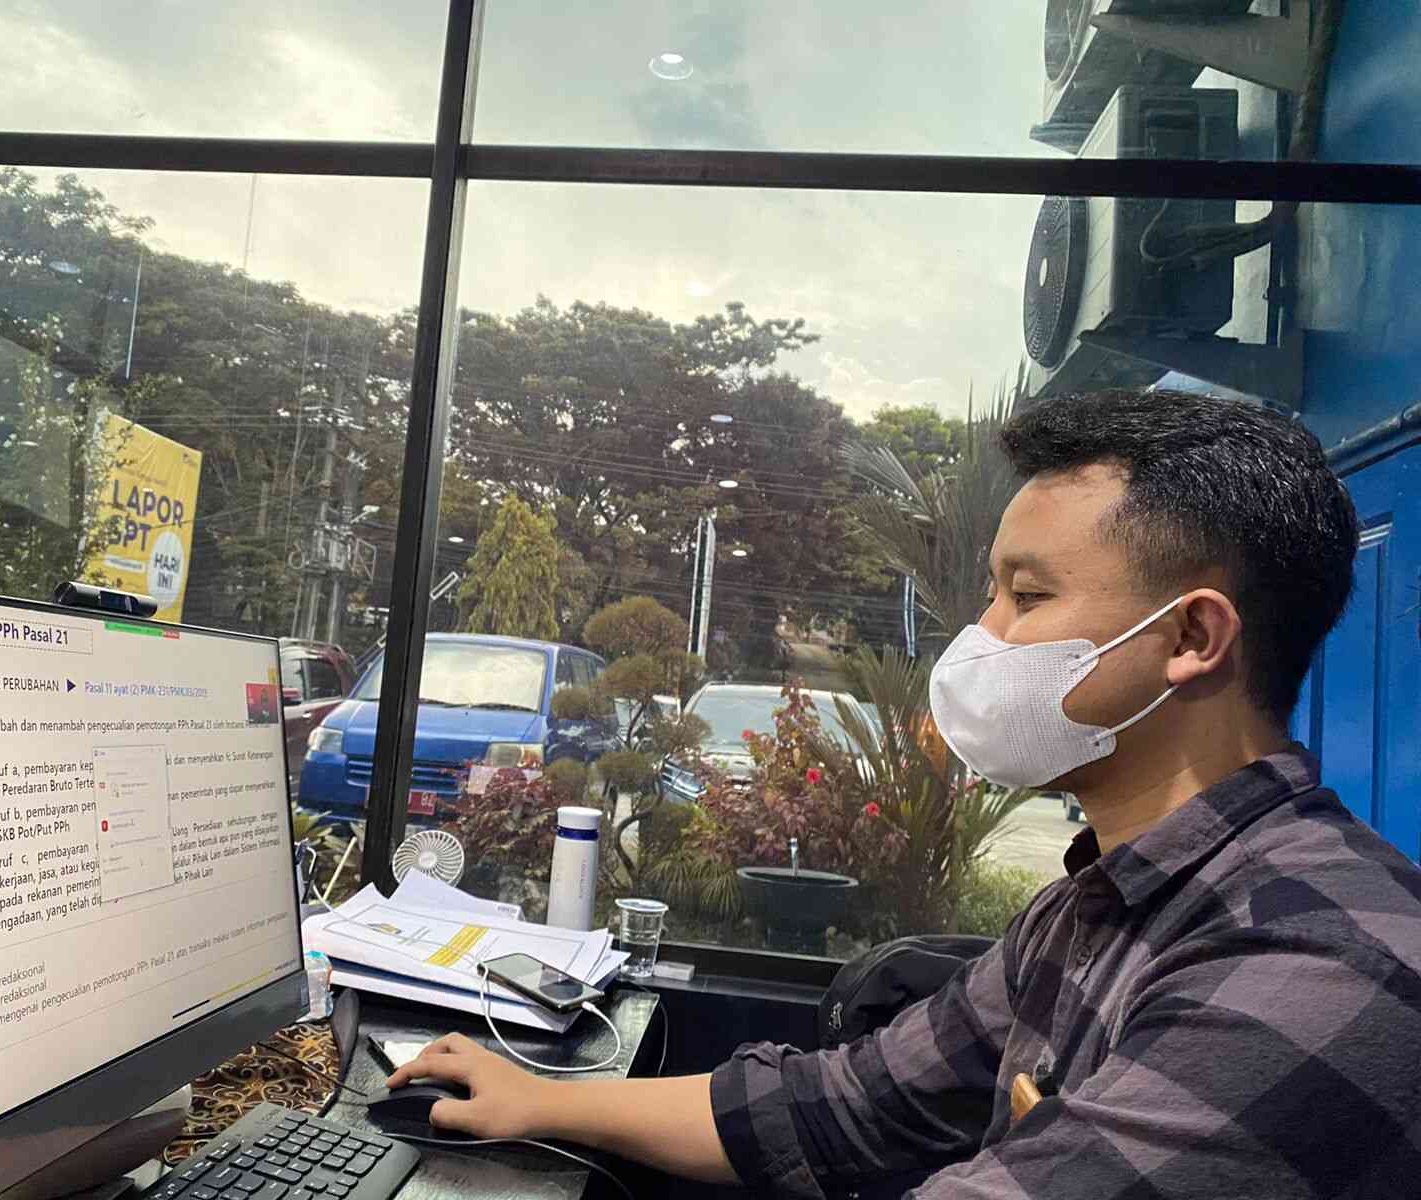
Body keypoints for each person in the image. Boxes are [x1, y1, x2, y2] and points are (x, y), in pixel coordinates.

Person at [388, 389, 1421, 1197]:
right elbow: (843, 1103)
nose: (982, 638)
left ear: (1192, 637)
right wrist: (544, 1100)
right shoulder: (1092, 908)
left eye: (1027, 596)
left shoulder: (1317, 969)